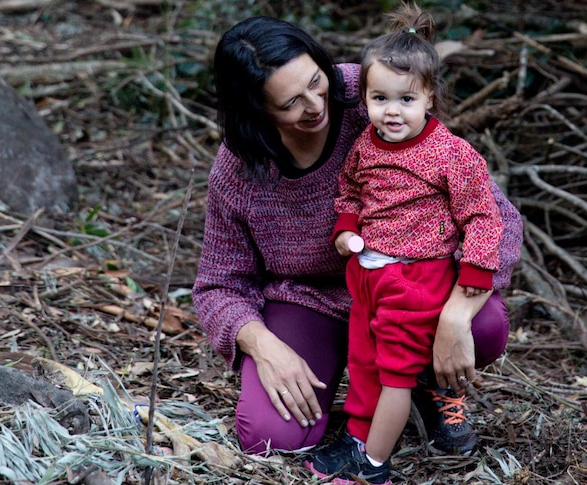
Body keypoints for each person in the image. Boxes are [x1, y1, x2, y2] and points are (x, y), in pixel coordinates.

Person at [192, 12, 523, 459]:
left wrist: (456, 315)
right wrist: (263, 345)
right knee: (270, 438)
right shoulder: (239, 168)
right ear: (256, 109)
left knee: (485, 326)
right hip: (312, 301)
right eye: (290, 102)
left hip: (411, 287)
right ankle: (369, 399)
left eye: (315, 81)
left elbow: (495, 219)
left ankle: (422, 385)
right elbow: (218, 283)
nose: (314, 104)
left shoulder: (373, 95)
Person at [303, 4, 506, 483]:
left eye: (406, 100)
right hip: (368, 274)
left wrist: (474, 277)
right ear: (365, 99)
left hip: (416, 278)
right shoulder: (366, 145)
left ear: (429, 98)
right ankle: (357, 436)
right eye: (379, 98)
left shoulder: (450, 153)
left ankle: (372, 463)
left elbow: (483, 215)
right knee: (365, 363)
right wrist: (345, 228)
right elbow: (349, 190)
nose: (391, 112)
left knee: (395, 375)